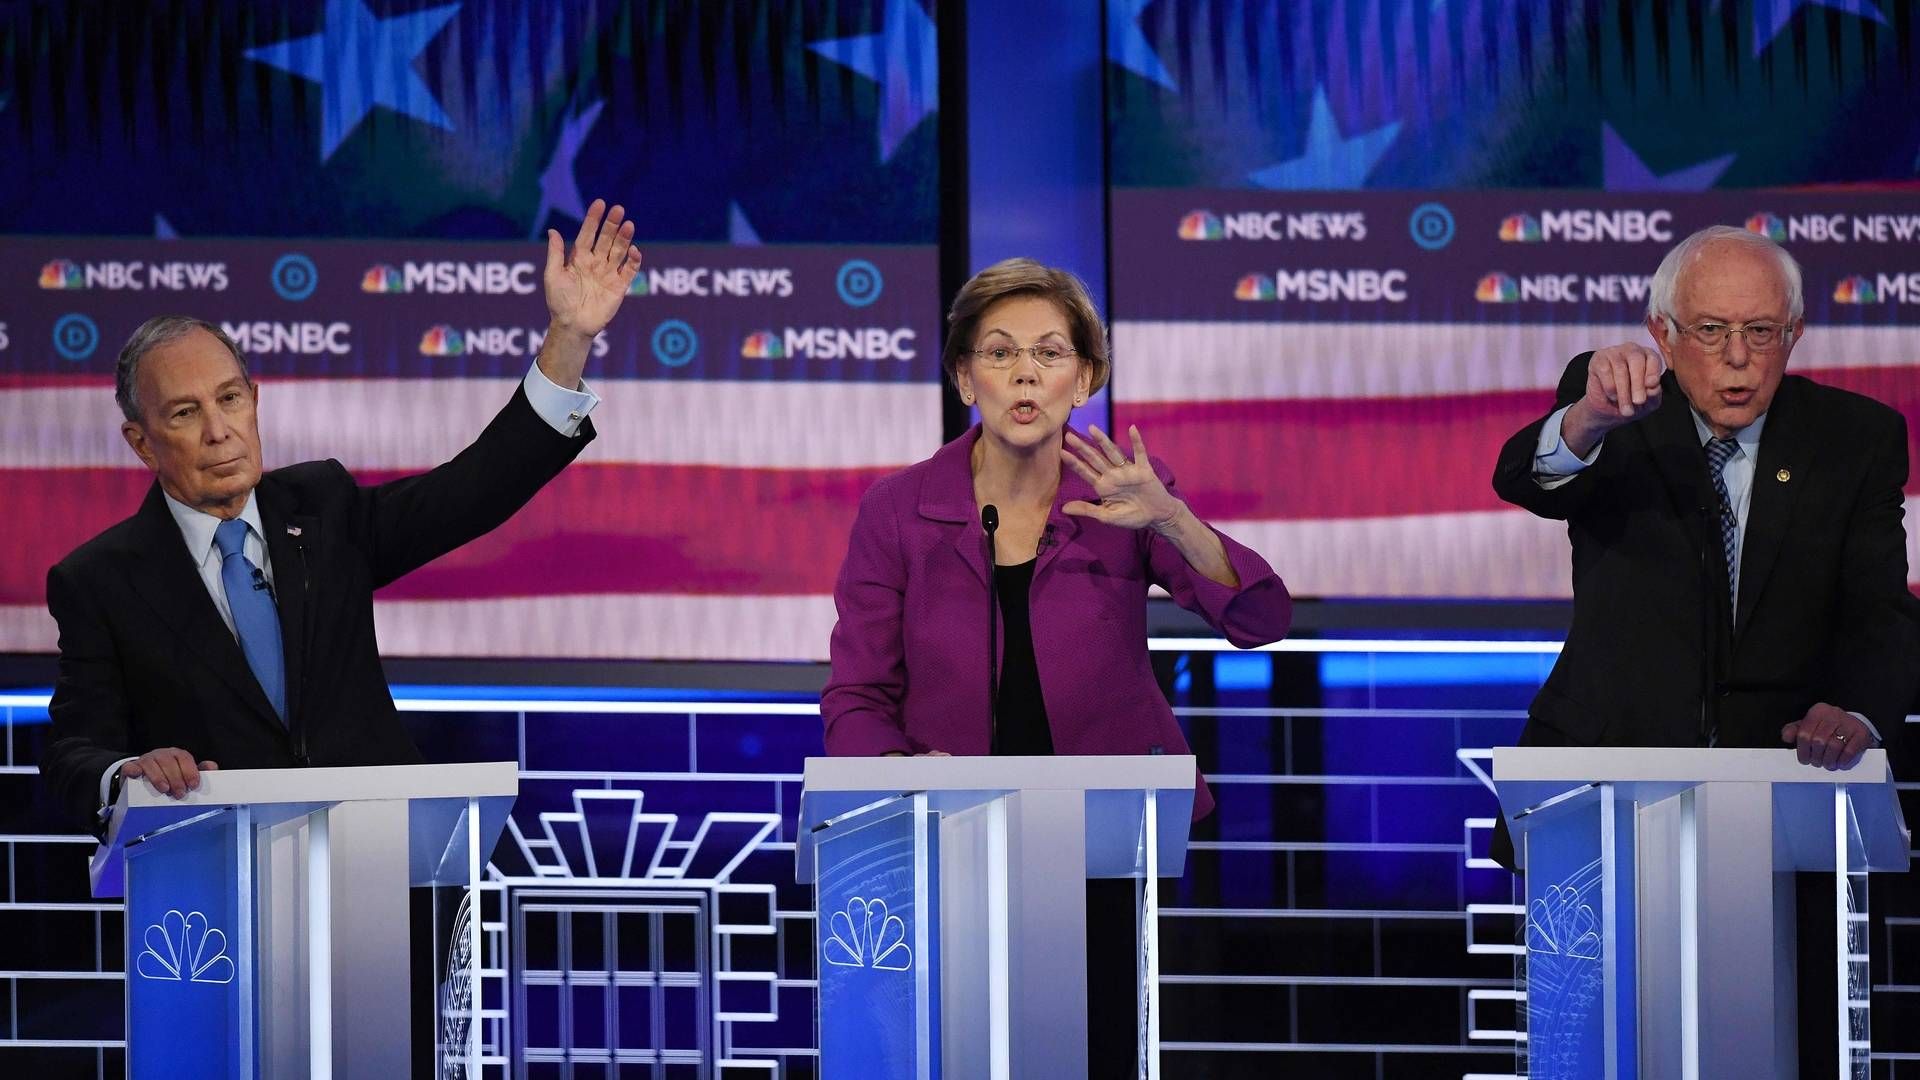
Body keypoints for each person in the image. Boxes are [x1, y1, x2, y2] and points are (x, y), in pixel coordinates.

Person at [821, 256, 1293, 1074]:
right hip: (951, 839)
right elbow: (858, 693)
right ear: (965, 377)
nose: (1025, 374)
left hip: (1103, 839)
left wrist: (1172, 519)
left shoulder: (1127, 498)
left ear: (1086, 379)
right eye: (1000, 353)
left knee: (1099, 1048)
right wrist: (903, 781)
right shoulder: (898, 510)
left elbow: (1260, 618)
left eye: (1050, 352)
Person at [39, 199, 642, 835]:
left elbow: (475, 489)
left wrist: (568, 339)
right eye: (185, 414)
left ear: (254, 401)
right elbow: (73, 755)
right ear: (141, 441)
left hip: (375, 859)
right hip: (211, 889)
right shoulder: (100, 581)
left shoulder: (324, 509)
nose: (219, 432)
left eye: (230, 399)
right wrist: (128, 771)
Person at [1490, 224, 1919, 1074]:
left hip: (1785, 809)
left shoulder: (1856, 438)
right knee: (1595, 1046)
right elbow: (1524, 478)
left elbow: (1879, 612)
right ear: (1663, 333)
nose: (1736, 359)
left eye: (1760, 333)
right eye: (1711, 331)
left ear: (1792, 335)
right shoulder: (1615, 408)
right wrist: (1586, 419)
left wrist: (1862, 714)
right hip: (1602, 791)